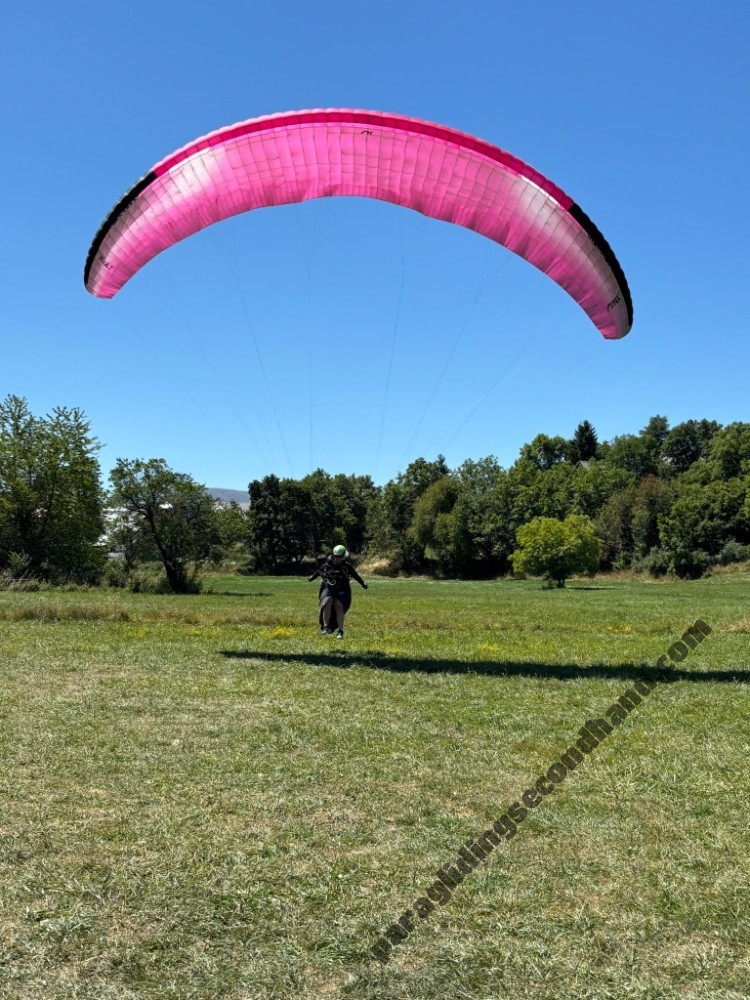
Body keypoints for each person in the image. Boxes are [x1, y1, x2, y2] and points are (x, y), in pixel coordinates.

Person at [308, 544, 367, 639]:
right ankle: (326, 627)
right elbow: (320, 571)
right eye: (336, 557)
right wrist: (312, 577)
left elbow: (355, 575)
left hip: (342, 589)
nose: (338, 559)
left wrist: (363, 583)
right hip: (329, 588)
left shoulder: (347, 566)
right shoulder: (328, 563)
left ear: (344, 556)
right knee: (327, 602)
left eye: (340, 557)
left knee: (338, 605)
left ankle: (340, 631)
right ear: (333, 555)